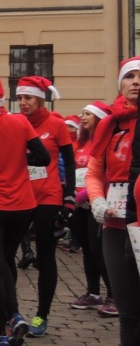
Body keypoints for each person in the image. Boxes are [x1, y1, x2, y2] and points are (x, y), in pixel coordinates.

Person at [0, 75, 50, 346]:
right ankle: (13, 315)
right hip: (23, 205)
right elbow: (44, 158)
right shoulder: (19, 121)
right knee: (6, 260)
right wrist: (20, 158)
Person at [14, 76, 75, 338]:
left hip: (48, 196)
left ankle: (42, 314)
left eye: (28, 98)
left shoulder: (57, 125)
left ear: (40, 98)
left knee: (46, 255)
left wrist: (69, 196)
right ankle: (10, 313)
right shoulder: (16, 124)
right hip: (19, 195)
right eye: (19, 98)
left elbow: (70, 162)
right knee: (10, 255)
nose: (23, 103)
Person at [91, 57, 140, 346]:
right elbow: (96, 168)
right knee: (129, 312)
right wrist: (96, 198)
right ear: (120, 84)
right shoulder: (111, 124)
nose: (136, 81)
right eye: (130, 76)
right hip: (116, 228)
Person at [70, 101, 116, 315]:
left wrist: (85, 194)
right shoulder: (81, 143)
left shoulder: (105, 141)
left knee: (99, 250)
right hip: (81, 206)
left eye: (88, 114)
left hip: (98, 203)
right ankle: (93, 293)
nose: (83, 117)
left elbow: (102, 173)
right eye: (82, 114)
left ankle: (114, 296)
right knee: (87, 248)